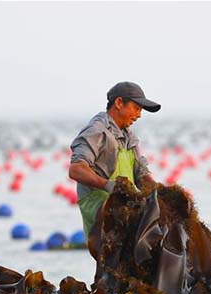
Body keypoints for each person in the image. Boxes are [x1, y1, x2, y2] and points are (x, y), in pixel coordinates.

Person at [69, 81, 161, 235]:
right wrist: (108, 185)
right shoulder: (97, 131)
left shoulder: (130, 137)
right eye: (136, 108)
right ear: (119, 103)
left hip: (128, 201)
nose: (139, 115)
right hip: (100, 204)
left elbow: (142, 176)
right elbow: (76, 169)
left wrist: (164, 193)